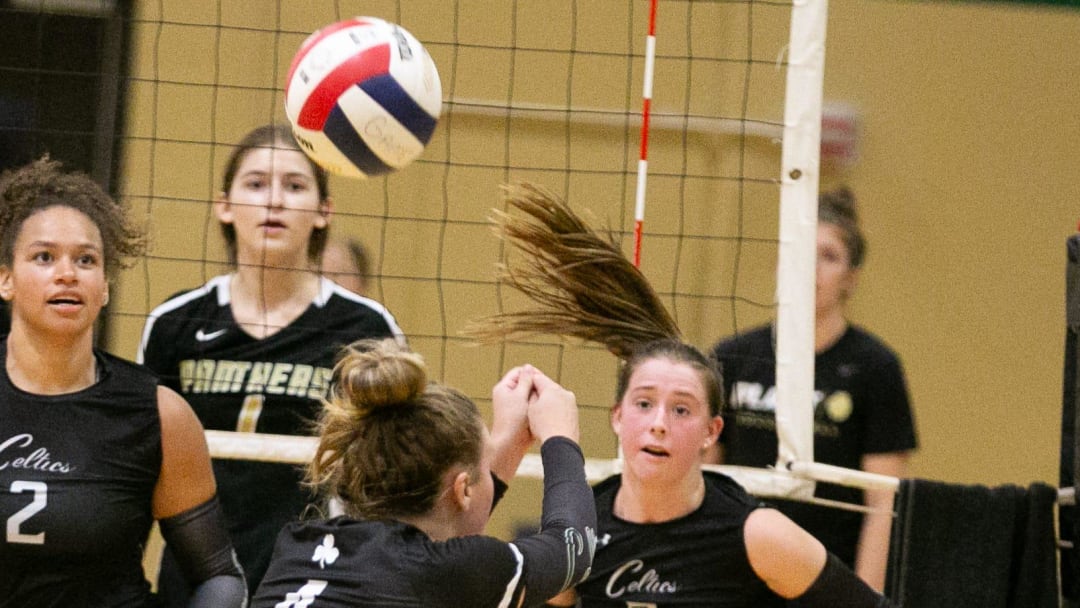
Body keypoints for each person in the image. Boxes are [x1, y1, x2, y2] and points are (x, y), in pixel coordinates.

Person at [468, 183, 895, 607]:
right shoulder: (579, 537)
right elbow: (454, 563)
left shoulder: (758, 534)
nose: (659, 423)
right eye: (644, 403)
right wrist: (511, 442)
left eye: (680, 410)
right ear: (616, 417)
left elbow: (883, 499)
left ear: (711, 430)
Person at [138, 124, 405, 601]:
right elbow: (138, 466)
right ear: (224, 205)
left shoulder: (365, 329)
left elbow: (395, 471)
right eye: (257, 184)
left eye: (295, 186)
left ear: (324, 212)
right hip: (195, 575)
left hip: (318, 575)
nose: (274, 200)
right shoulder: (175, 324)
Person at [0, 157, 246, 606]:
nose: (67, 273)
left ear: (105, 287)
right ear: (6, 279)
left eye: (86, 260)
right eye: (44, 256)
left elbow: (219, 576)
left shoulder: (157, 413)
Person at [252, 338, 596, 607]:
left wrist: (507, 440)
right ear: (463, 489)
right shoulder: (452, 572)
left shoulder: (299, 543)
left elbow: (445, 528)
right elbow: (573, 550)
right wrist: (561, 438)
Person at [710, 186, 917, 590]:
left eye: (829, 256)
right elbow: (705, 473)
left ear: (851, 279)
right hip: (734, 570)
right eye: (801, 251)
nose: (811, 267)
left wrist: (865, 598)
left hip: (827, 576)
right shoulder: (731, 356)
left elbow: (883, 502)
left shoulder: (875, 367)